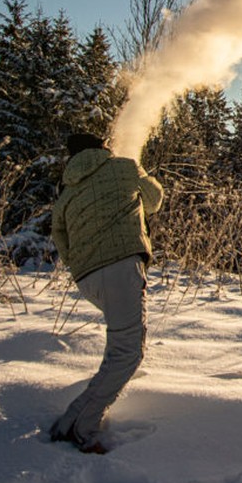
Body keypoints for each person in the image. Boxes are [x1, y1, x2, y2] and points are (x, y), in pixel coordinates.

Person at [48, 132, 163, 454]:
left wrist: (77, 263)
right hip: (120, 268)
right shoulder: (125, 166)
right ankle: (78, 427)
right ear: (103, 148)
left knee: (121, 347)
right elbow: (154, 200)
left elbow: (59, 235)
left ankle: (76, 421)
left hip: (88, 278)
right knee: (127, 352)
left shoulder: (67, 191)